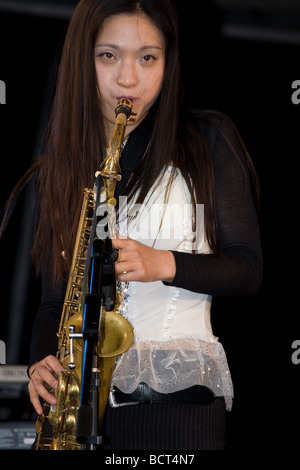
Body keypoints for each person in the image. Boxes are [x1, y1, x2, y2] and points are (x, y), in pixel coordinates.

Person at [1, 0, 262, 450]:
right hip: (87, 409)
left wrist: (164, 263)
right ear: (84, 60)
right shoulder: (67, 167)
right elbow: (55, 304)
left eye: (147, 57)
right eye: (109, 55)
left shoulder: (209, 140)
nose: (128, 78)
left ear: (168, 61)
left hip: (183, 409)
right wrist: (41, 363)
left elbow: (247, 269)